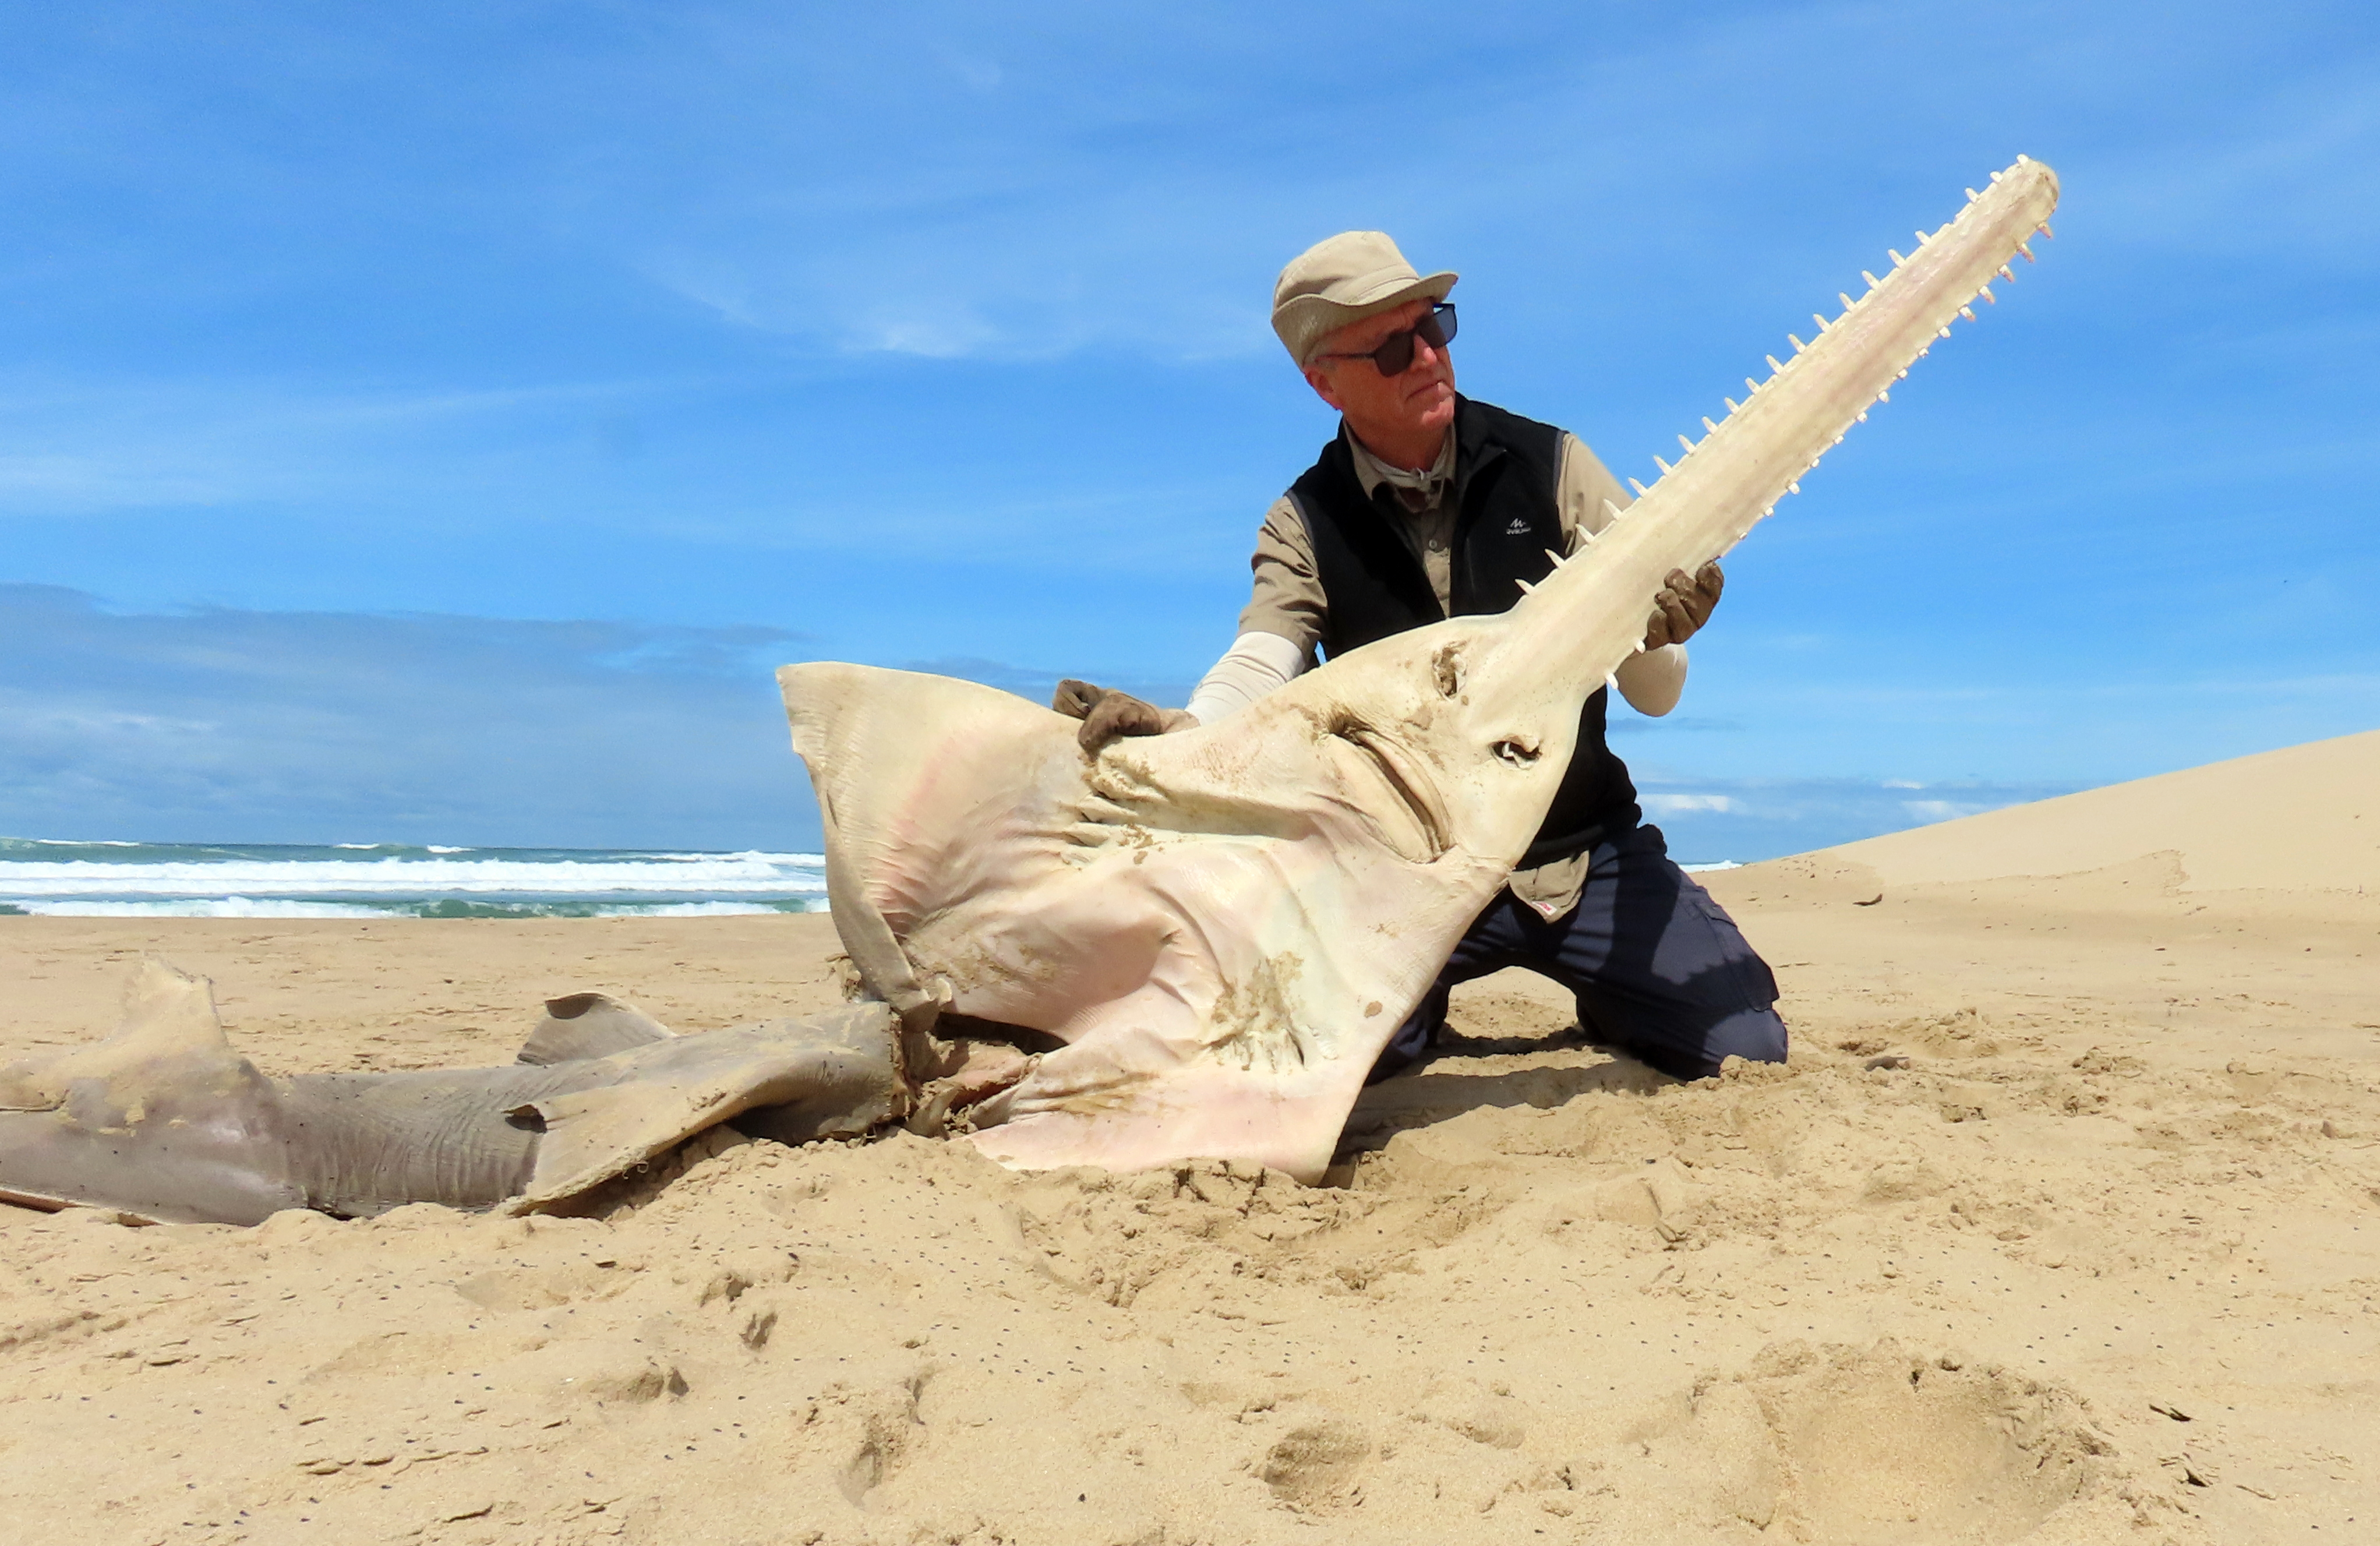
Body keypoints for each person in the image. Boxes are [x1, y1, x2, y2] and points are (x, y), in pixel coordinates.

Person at [1054, 231, 1785, 1083]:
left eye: (1435, 326)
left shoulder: (1554, 466)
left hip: (1585, 849)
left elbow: (1655, 695)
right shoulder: (1303, 521)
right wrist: (1184, 736)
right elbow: (1264, 654)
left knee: (1744, 1047)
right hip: (1408, 874)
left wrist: (1659, 636)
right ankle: (1413, 1008)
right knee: (1334, 1063)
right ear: (1322, 380)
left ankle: (1609, 988)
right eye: (1394, 345)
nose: (1428, 357)